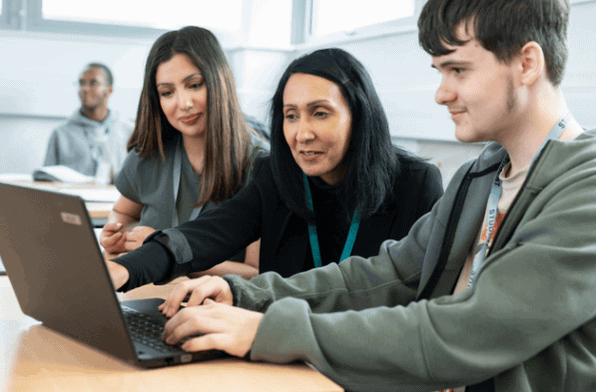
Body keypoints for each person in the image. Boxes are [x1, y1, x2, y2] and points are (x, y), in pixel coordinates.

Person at [125, 0, 596, 391]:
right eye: (440, 72)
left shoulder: (585, 188)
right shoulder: (484, 174)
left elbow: (466, 330)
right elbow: (390, 273)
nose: (441, 92)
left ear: (527, 63)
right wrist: (246, 296)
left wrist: (266, 330)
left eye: (458, 70)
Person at [106, 47, 443, 288]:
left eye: (320, 113)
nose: (302, 133)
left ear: (359, 115)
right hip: (280, 352)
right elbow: (207, 234)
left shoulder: (415, 183)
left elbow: (420, 298)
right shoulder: (277, 175)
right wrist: (127, 269)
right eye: (291, 115)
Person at [100, 26, 269, 279]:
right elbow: (124, 212)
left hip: (212, 308)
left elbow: (256, 274)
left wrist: (164, 251)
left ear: (218, 82)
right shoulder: (150, 153)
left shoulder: (260, 164)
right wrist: (118, 233)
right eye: (167, 92)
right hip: (150, 294)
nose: (183, 103)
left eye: (194, 85)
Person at [43, 62, 132, 181]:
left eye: (93, 83)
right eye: (81, 83)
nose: (85, 88)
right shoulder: (61, 134)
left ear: (108, 90)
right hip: (74, 198)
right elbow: (46, 181)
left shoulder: (129, 131)